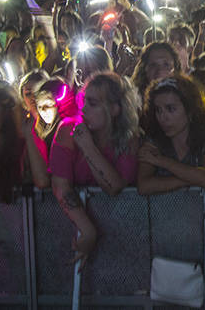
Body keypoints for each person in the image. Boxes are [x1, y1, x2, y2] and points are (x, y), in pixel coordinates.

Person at [50, 71, 139, 269]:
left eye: (93, 104)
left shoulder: (128, 138)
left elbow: (114, 186)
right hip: (71, 227)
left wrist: (88, 148)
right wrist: (88, 230)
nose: (83, 109)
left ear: (115, 109)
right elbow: (60, 186)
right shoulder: (67, 130)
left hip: (118, 231)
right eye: (83, 102)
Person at [137, 75, 205, 195]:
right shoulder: (154, 139)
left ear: (190, 110)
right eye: (158, 110)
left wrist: (162, 161)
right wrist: (193, 180)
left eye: (171, 109)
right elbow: (144, 186)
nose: (163, 117)